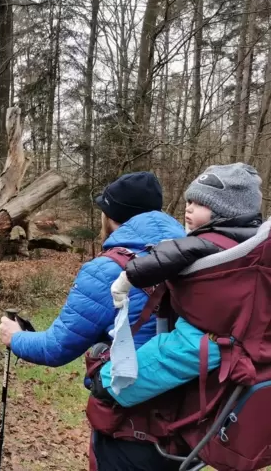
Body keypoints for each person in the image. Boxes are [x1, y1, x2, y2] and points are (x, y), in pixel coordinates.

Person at [0, 171, 187, 470]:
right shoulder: (193, 257)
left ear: (112, 217)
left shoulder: (106, 270)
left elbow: (56, 347)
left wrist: (15, 337)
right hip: (187, 425)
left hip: (128, 425)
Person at [89, 163, 263, 408]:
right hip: (230, 332)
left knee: (160, 360)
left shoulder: (206, 242)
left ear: (226, 210)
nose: (189, 209)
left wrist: (129, 276)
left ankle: (106, 382)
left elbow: (166, 256)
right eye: (189, 202)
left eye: (200, 204)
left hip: (204, 334)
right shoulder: (250, 244)